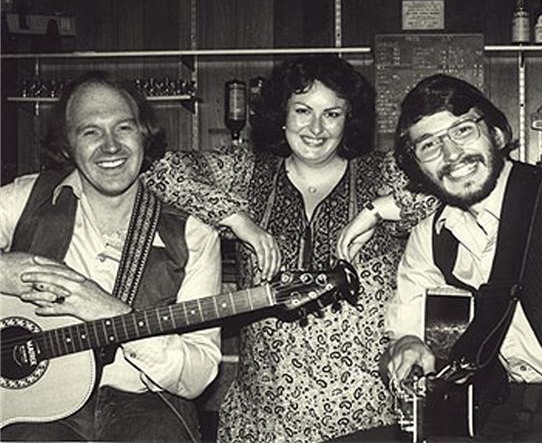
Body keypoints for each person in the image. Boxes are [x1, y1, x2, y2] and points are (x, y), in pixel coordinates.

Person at [142, 55, 436, 442]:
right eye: (303, 110)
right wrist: (237, 219)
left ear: (349, 121)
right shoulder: (247, 174)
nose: (316, 128)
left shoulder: (382, 173)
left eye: (332, 114)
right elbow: (155, 169)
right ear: (282, 114)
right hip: (263, 422)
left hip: (366, 417)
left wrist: (377, 210)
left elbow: (450, 191)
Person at [336, 74, 542, 442]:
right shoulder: (429, 236)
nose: (451, 155)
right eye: (429, 145)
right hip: (499, 411)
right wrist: (407, 345)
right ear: (417, 167)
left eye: (462, 130)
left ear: (496, 134)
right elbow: (405, 332)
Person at [0, 71, 223, 442]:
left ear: (143, 134)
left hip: (147, 403)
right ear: (67, 145)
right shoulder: (25, 199)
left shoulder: (192, 234)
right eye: (90, 132)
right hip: (30, 402)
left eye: (123, 128)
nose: (111, 147)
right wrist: (5, 271)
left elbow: (199, 374)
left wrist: (110, 313)